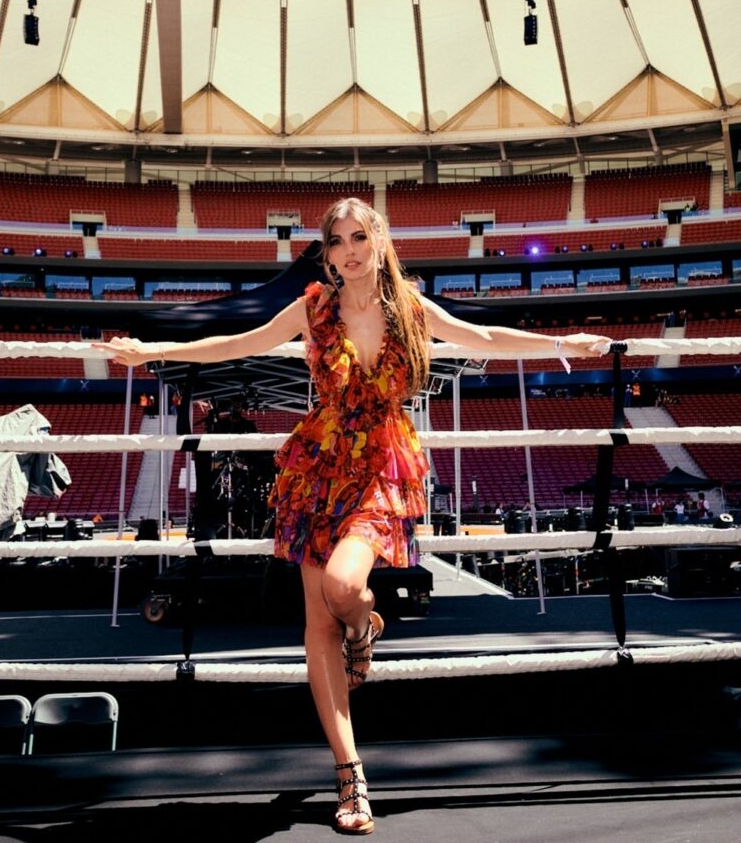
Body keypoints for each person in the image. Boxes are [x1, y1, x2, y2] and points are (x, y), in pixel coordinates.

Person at [95, 197, 611, 836]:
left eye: (358, 236)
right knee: (316, 627)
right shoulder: (313, 308)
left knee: (344, 588)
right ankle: (350, 775)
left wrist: (561, 342)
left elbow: (484, 339)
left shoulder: (411, 311)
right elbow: (238, 342)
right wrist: (152, 352)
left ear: (381, 240)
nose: (348, 250)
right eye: (336, 241)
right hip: (317, 466)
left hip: (381, 466)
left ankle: (364, 623)